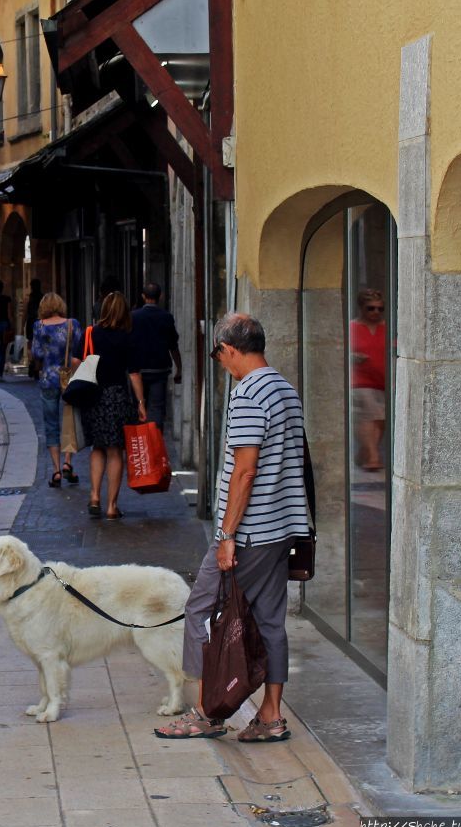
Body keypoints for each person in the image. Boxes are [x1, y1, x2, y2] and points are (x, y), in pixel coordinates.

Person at [155, 313, 310, 742]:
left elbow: (245, 470)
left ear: (229, 349)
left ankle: (207, 712)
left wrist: (226, 536)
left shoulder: (248, 394)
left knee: (201, 612)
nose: (220, 362)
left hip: (249, 533)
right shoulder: (285, 389)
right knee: (271, 621)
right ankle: (270, 716)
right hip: (282, 527)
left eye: (218, 354)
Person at [80, 292, 146, 518]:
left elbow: (76, 363)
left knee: (97, 447)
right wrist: (141, 403)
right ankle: (111, 507)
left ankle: (95, 496)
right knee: (115, 452)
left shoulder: (92, 333)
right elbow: (134, 374)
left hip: (93, 397)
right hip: (117, 397)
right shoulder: (128, 337)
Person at [30, 293, 83, 487]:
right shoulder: (72, 324)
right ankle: (68, 462)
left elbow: (36, 353)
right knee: (70, 420)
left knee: (51, 424)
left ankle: (56, 471)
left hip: (48, 378)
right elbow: (79, 350)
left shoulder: (39, 326)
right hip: (69, 378)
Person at [130, 283, 183, 434]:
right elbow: (173, 345)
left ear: (143, 296)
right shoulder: (166, 317)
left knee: (138, 407)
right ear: (161, 296)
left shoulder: (134, 317)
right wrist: (178, 367)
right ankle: (155, 441)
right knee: (157, 408)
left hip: (138, 369)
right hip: (159, 369)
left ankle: (141, 444)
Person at [350, 288, 387, 471]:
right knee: (368, 416)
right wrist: (352, 356)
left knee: (380, 419)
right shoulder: (352, 328)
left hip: (383, 381)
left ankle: (364, 453)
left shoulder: (387, 328)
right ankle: (373, 456)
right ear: (361, 308)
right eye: (370, 308)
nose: (375, 312)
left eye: (380, 309)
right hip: (360, 380)